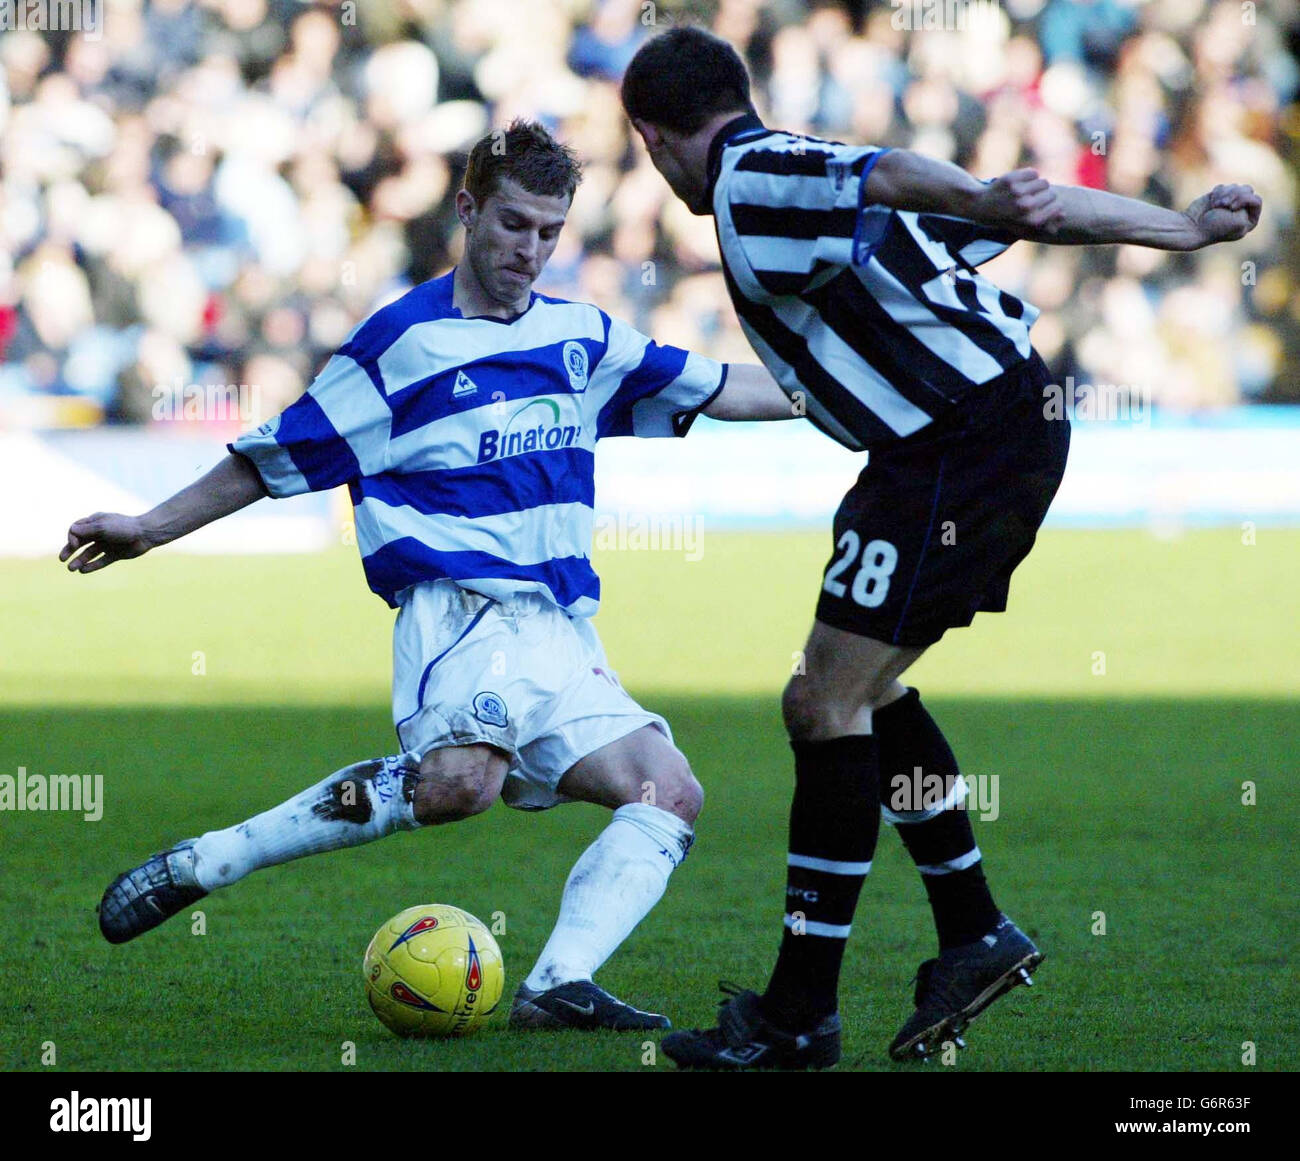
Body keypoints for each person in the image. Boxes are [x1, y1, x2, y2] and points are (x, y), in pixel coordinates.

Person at [61, 119, 795, 1033]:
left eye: (549, 232)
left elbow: (720, 386)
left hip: (560, 631)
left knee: (669, 792)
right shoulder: (399, 346)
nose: (530, 250)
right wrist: (147, 525)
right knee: (459, 785)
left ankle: (557, 983)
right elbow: (268, 458)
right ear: (468, 207)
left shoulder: (582, 337)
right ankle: (210, 861)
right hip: (458, 614)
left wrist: (852, 393)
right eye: (514, 224)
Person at [620, 25, 1262, 1068]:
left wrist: (979, 195)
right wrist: (1179, 233)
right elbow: (1038, 210)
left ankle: (799, 1020)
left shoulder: (754, 179)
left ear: (651, 136)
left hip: (956, 442)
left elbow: (911, 174)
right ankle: (970, 935)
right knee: (861, 694)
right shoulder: (816, 189)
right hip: (971, 438)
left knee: (820, 702)